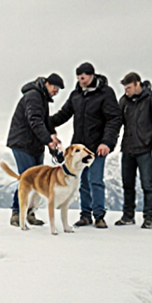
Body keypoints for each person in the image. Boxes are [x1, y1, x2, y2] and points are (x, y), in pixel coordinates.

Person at [49, 62, 122, 228]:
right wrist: (46, 123)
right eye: (78, 76)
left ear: (91, 75)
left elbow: (114, 119)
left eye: (83, 76)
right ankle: (85, 215)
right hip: (79, 149)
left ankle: (99, 216)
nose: (80, 79)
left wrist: (106, 142)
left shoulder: (105, 93)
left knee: (95, 180)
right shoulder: (76, 95)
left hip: (97, 146)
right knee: (82, 182)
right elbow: (64, 114)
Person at [6, 73, 65, 227]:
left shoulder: (42, 98)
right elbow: (35, 121)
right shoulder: (33, 96)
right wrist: (48, 140)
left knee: (35, 180)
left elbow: (44, 122)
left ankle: (29, 212)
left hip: (34, 145)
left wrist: (52, 136)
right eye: (54, 87)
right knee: (27, 179)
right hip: (22, 143)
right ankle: (17, 213)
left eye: (58, 89)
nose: (56, 91)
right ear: (46, 83)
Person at [115, 72, 152, 229]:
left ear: (138, 84)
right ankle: (128, 216)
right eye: (125, 88)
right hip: (128, 148)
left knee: (147, 185)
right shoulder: (124, 102)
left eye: (129, 87)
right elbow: (116, 123)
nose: (126, 91)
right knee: (127, 185)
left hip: (146, 149)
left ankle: (149, 218)